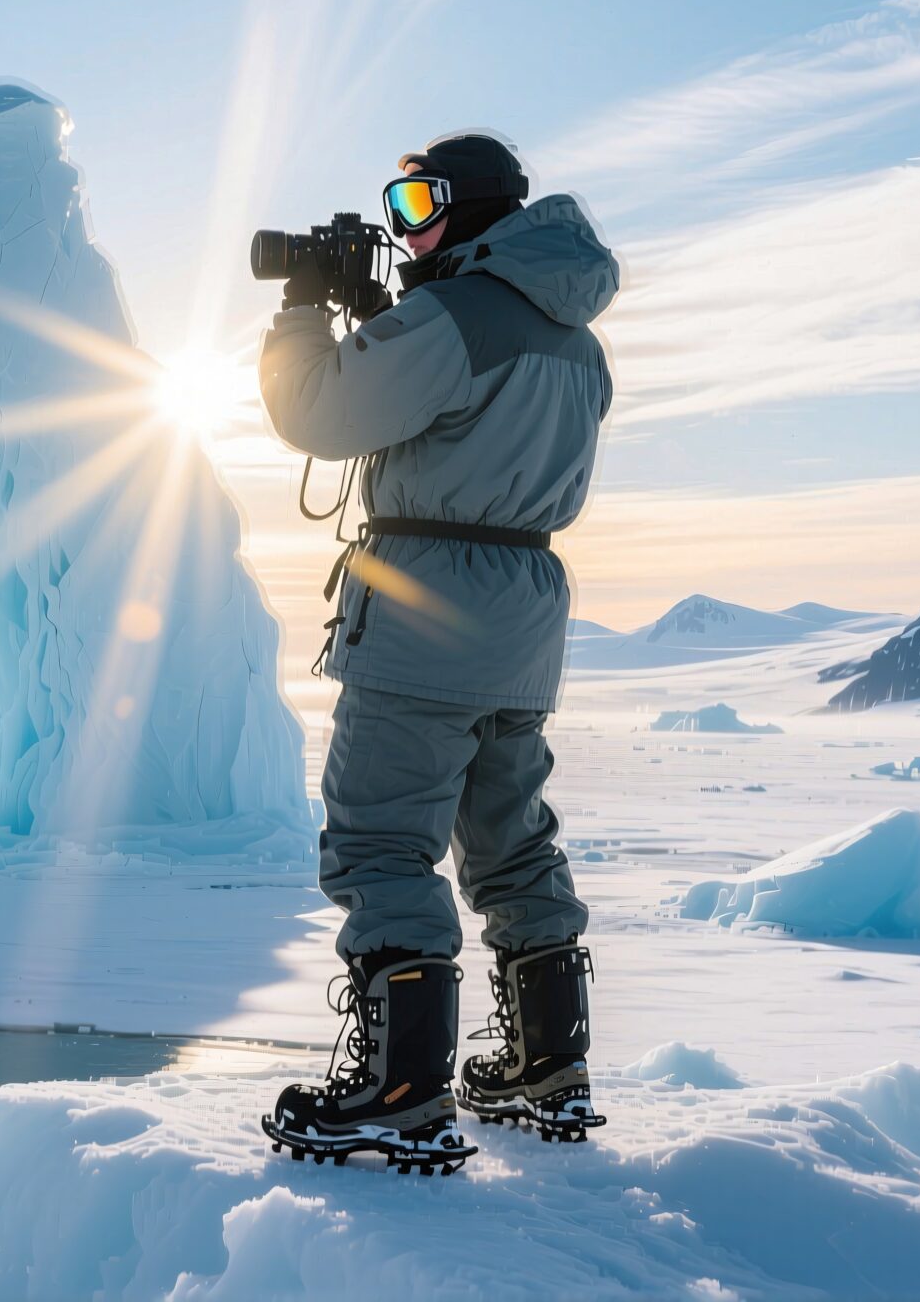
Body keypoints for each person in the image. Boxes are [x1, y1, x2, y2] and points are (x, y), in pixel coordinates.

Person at [254, 133, 619, 1173]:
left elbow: (317, 414)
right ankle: (550, 1062)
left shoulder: (457, 315)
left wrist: (302, 315)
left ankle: (400, 1091)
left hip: (427, 606)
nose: (408, 225)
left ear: (470, 207)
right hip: (523, 608)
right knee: (511, 840)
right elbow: (469, 424)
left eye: (419, 202)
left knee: (379, 844)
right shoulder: (570, 332)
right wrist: (391, 323)